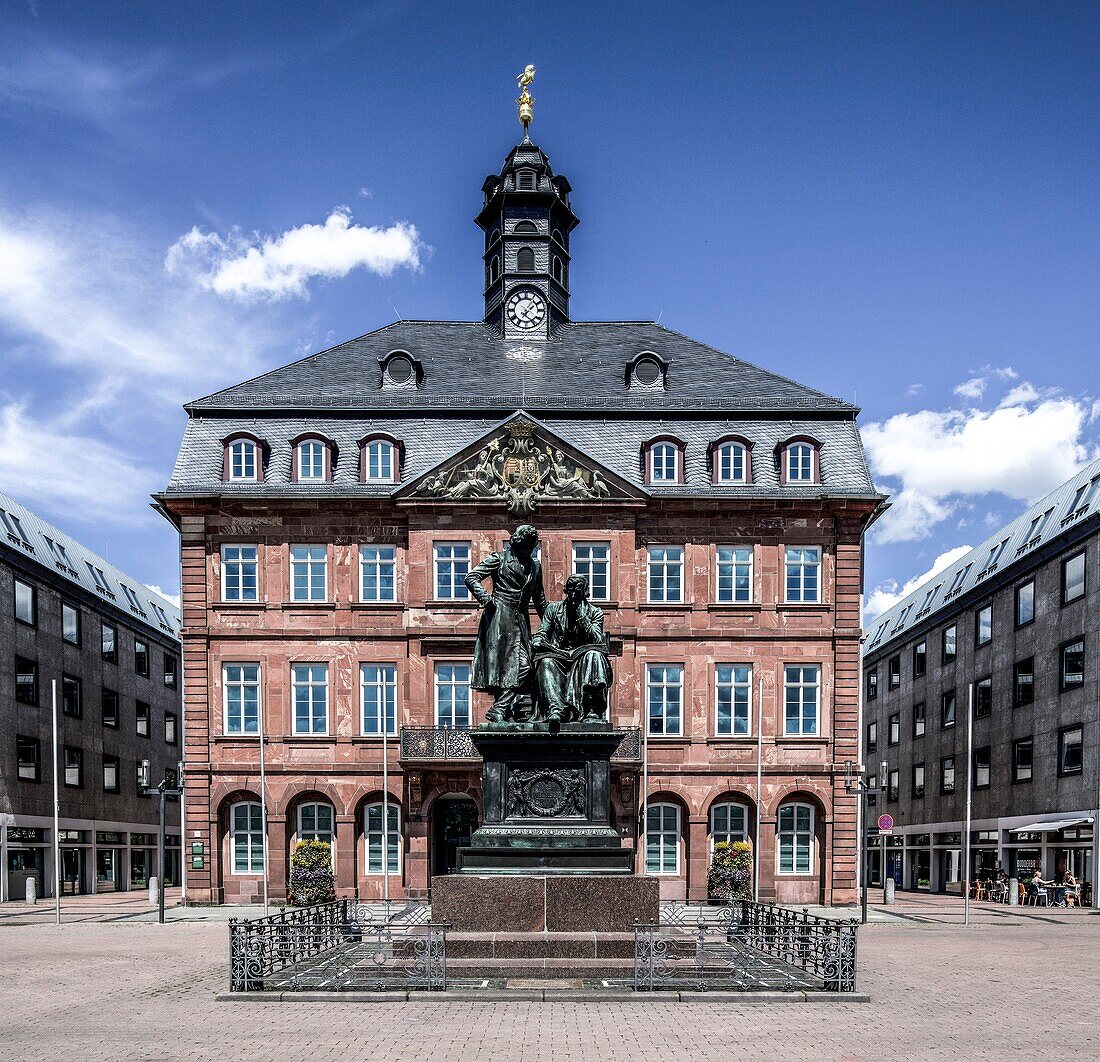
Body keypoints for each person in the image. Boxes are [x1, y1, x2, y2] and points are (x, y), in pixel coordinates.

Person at [465, 525, 548, 723]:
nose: (528, 551)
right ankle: (502, 710)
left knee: (525, 666)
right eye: (525, 546)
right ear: (517, 543)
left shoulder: (535, 566)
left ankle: (499, 709)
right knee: (500, 667)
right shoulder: (499, 559)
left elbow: (540, 600)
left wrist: (554, 622)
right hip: (499, 618)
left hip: (520, 620)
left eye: (531, 547)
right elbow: (471, 577)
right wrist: (486, 599)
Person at [531, 574, 613, 731]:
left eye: (578, 590)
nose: (574, 594)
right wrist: (538, 640)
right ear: (565, 590)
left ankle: (590, 711)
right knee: (546, 662)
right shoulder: (553, 609)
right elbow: (543, 631)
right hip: (558, 655)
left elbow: (597, 639)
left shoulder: (595, 612)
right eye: (571, 589)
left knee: (594, 656)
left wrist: (582, 618)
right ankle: (555, 710)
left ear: (585, 592)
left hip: (582, 658)